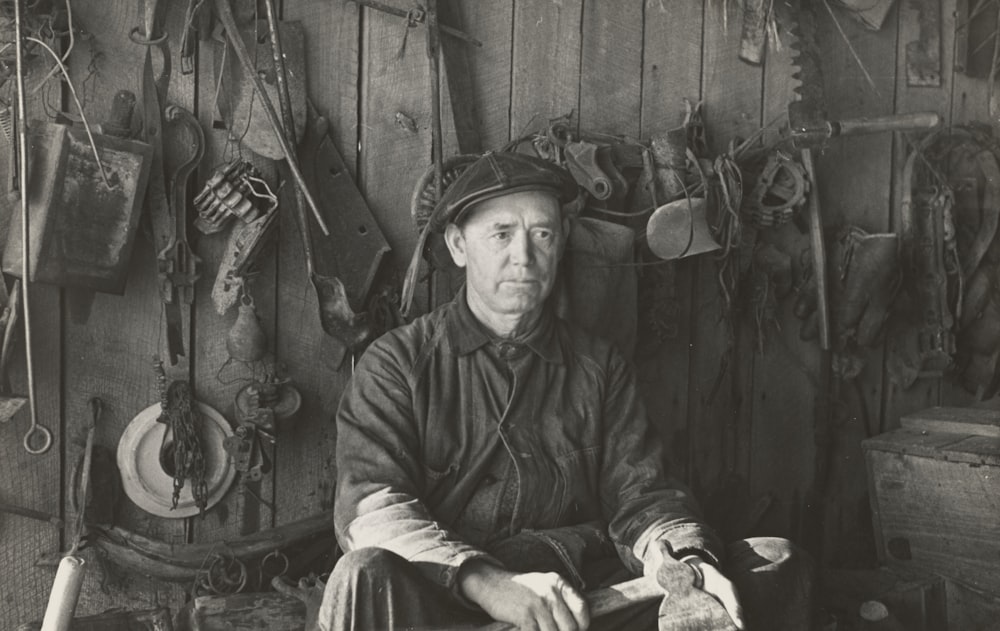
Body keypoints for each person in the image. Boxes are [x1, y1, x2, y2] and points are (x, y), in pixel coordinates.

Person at [317, 151, 813, 631]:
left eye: (542, 234)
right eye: (502, 234)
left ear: (562, 242)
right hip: (448, 601)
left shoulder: (598, 366)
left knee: (770, 563)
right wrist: (490, 584)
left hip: (574, 604)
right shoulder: (397, 364)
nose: (524, 256)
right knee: (361, 576)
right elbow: (374, 507)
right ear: (457, 246)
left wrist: (681, 560)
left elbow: (644, 496)